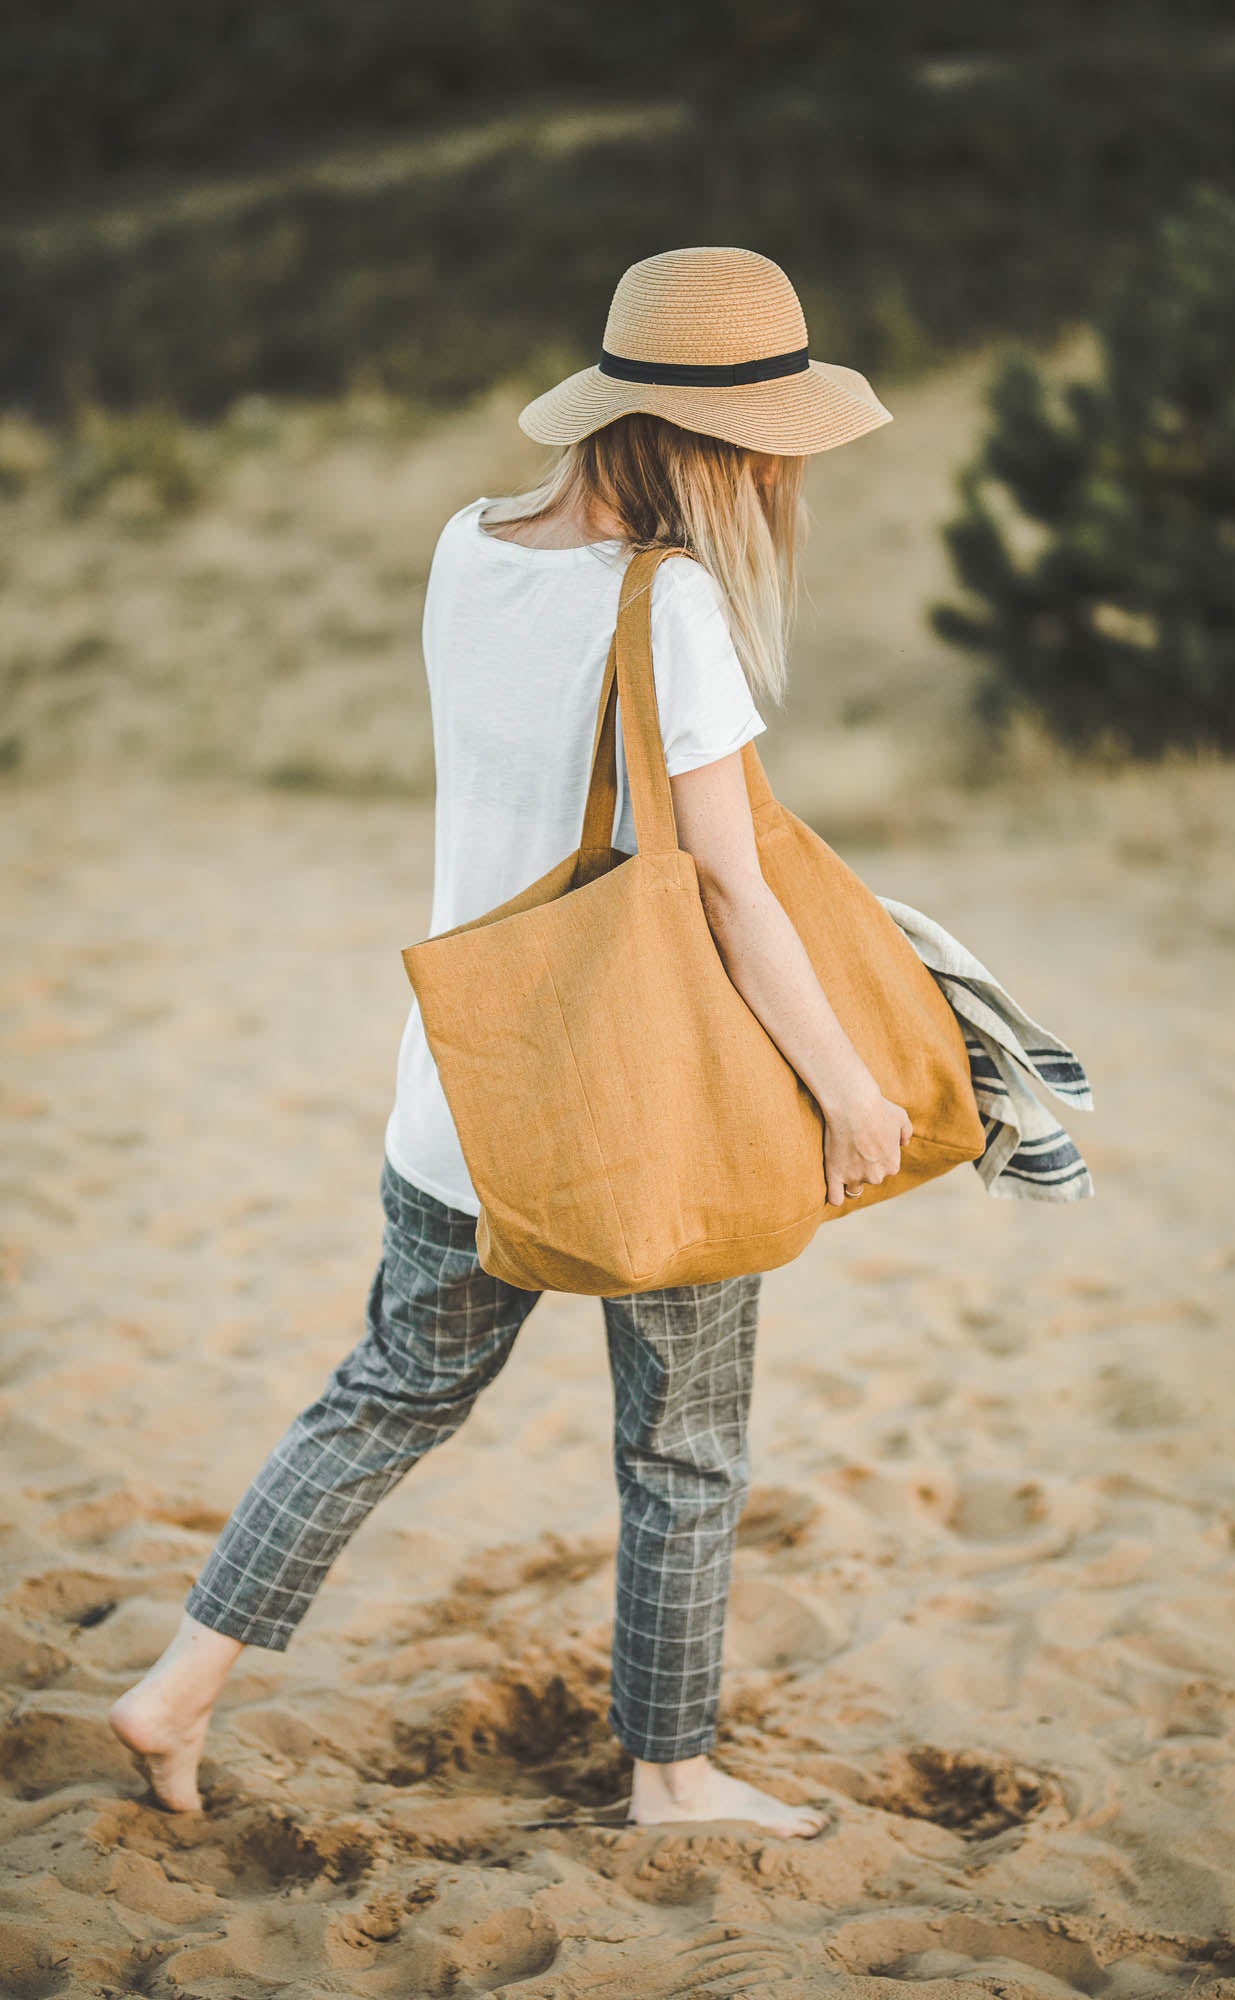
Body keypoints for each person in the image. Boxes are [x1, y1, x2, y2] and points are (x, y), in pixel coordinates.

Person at [109, 246, 913, 1838]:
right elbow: (736, 903)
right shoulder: (669, 601)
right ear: (735, 443)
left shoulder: (466, 546)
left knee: (382, 1395)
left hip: (460, 1090)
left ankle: (174, 1688)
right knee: (682, 1449)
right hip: (632, 1111)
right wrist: (851, 1088)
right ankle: (672, 1774)